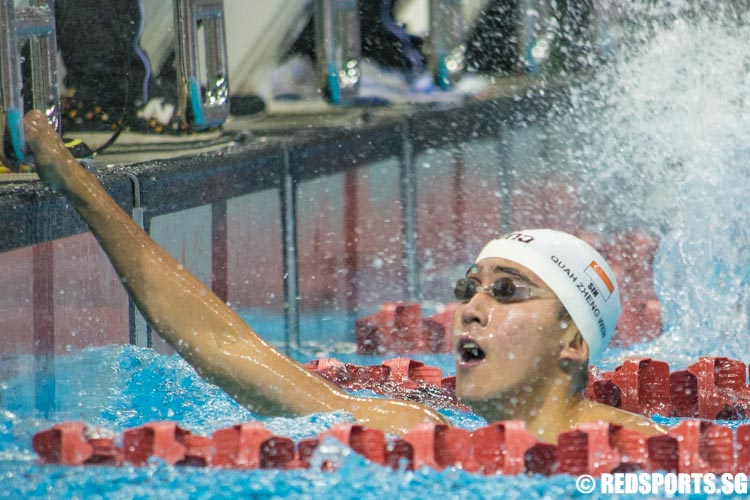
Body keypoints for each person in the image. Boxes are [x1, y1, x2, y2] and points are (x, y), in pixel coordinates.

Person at [22, 110, 664, 442]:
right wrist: (79, 185)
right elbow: (231, 352)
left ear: (572, 341)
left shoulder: (642, 452)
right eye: (467, 288)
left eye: (506, 291)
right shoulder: (419, 434)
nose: (469, 309)